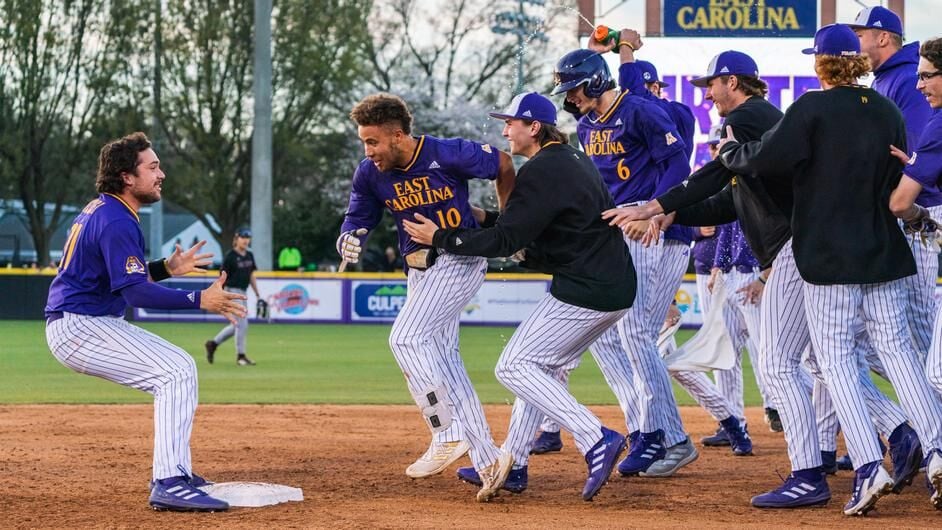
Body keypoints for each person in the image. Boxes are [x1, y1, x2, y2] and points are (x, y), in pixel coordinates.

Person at [603, 45, 916, 510]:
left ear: (733, 82)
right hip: (800, 244)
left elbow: (714, 172)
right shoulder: (759, 119)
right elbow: (729, 200)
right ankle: (900, 432)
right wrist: (672, 213)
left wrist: (656, 204)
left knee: (782, 363)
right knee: (817, 360)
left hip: (795, 248)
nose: (706, 95)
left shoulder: (750, 117)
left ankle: (811, 472)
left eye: (710, 85)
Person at [718, 24, 942, 515]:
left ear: (821, 64)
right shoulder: (885, 110)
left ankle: (868, 465)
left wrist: (733, 153)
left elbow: (767, 159)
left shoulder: (811, 108)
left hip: (828, 255)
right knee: (899, 351)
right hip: (883, 248)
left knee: (836, 359)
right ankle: (937, 448)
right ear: (858, 61)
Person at [403, 91, 635, 501]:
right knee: (537, 369)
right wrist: (483, 218)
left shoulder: (542, 169)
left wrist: (439, 236)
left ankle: (595, 436)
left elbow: (507, 241)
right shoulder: (566, 159)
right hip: (606, 282)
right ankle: (514, 463)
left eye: (511, 122)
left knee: (512, 366)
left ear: (534, 127)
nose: (504, 129)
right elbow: (531, 225)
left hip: (587, 288)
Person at [44, 132, 246, 512]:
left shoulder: (106, 210)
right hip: (81, 326)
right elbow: (135, 294)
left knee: (178, 369)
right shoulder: (116, 220)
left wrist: (167, 268)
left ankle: (176, 472)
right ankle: (169, 481)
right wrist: (200, 299)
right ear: (127, 177)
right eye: (152, 167)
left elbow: (122, 278)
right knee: (175, 371)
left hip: (85, 322)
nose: (161, 174)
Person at [338, 92, 515, 502]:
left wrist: (509, 219)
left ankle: (446, 431)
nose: (368, 151)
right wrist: (350, 235)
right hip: (419, 271)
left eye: (373, 141)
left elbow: (503, 163)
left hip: (459, 259)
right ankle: (489, 459)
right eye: (364, 142)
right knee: (446, 360)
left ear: (398, 136)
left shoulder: (446, 153)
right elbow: (359, 214)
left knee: (406, 338)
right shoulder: (369, 173)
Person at [552, 44, 698, 478]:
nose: (569, 97)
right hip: (616, 226)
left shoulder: (641, 110)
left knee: (634, 331)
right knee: (607, 334)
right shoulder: (585, 123)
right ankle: (656, 431)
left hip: (647, 223)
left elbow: (678, 165)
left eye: (574, 88)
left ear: (596, 80)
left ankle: (653, 433)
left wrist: (654, 208)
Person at [849, 5, 942, 367]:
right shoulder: (888, 79)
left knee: (918, 326)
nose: (853, 44)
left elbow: (922, 151)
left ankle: (928, 416)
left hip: (921, 210)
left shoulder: (904, 78)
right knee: (886, 333)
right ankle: (921, 414)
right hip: (910, 210)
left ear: (882, 37)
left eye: (859, 35)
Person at [887, 36, 942, 509]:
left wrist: (920, 215)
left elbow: (901, 202)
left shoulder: (939, 125)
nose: (919, 82)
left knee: (937, 371)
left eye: (927, 74)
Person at [205, 227, 262, 366]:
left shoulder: (249, 255)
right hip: (231, 291)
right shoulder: (230, 256)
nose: (246, 240)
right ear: (237, 239)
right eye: (243, 237)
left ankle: (213, 344)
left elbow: (251, 275)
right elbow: (222, 277)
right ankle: (241, 356)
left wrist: (257, 294)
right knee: (242, 323)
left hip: (242, 292)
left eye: (248, 238)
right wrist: (221, 296)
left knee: (236, 325)